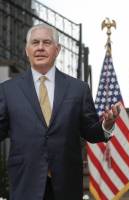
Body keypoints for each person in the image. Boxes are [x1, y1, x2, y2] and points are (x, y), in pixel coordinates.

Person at [0, 24, 120, 200]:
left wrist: (107, 125)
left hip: (66, 182)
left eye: (46, 42)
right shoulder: (7, 90)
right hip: (25, 181)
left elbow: (91, 133)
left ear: (57, 50)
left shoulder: (78, 89)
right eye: (35, 42)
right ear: (27, 50)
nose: (40, 47)